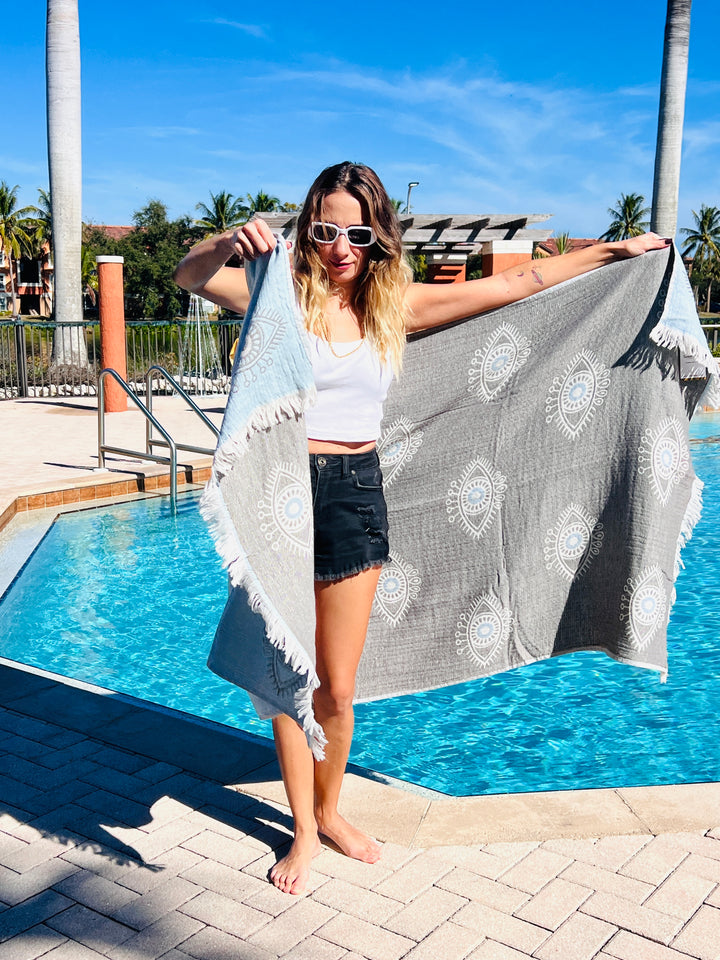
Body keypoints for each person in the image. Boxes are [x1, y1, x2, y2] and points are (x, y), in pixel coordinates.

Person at [174, 161, 670, 894]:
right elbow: (190, 277)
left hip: (353, 494)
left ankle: (332, 809)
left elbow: (515, 285)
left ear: (377, 237)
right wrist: (226, 241)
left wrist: (610, 253)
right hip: (280, 492)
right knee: (288, 671)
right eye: (325, 230)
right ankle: (303, 831)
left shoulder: (390, 307)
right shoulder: (274, 296)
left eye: (356, 232)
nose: (340, 246)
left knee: (337, 687)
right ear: (308, 230)